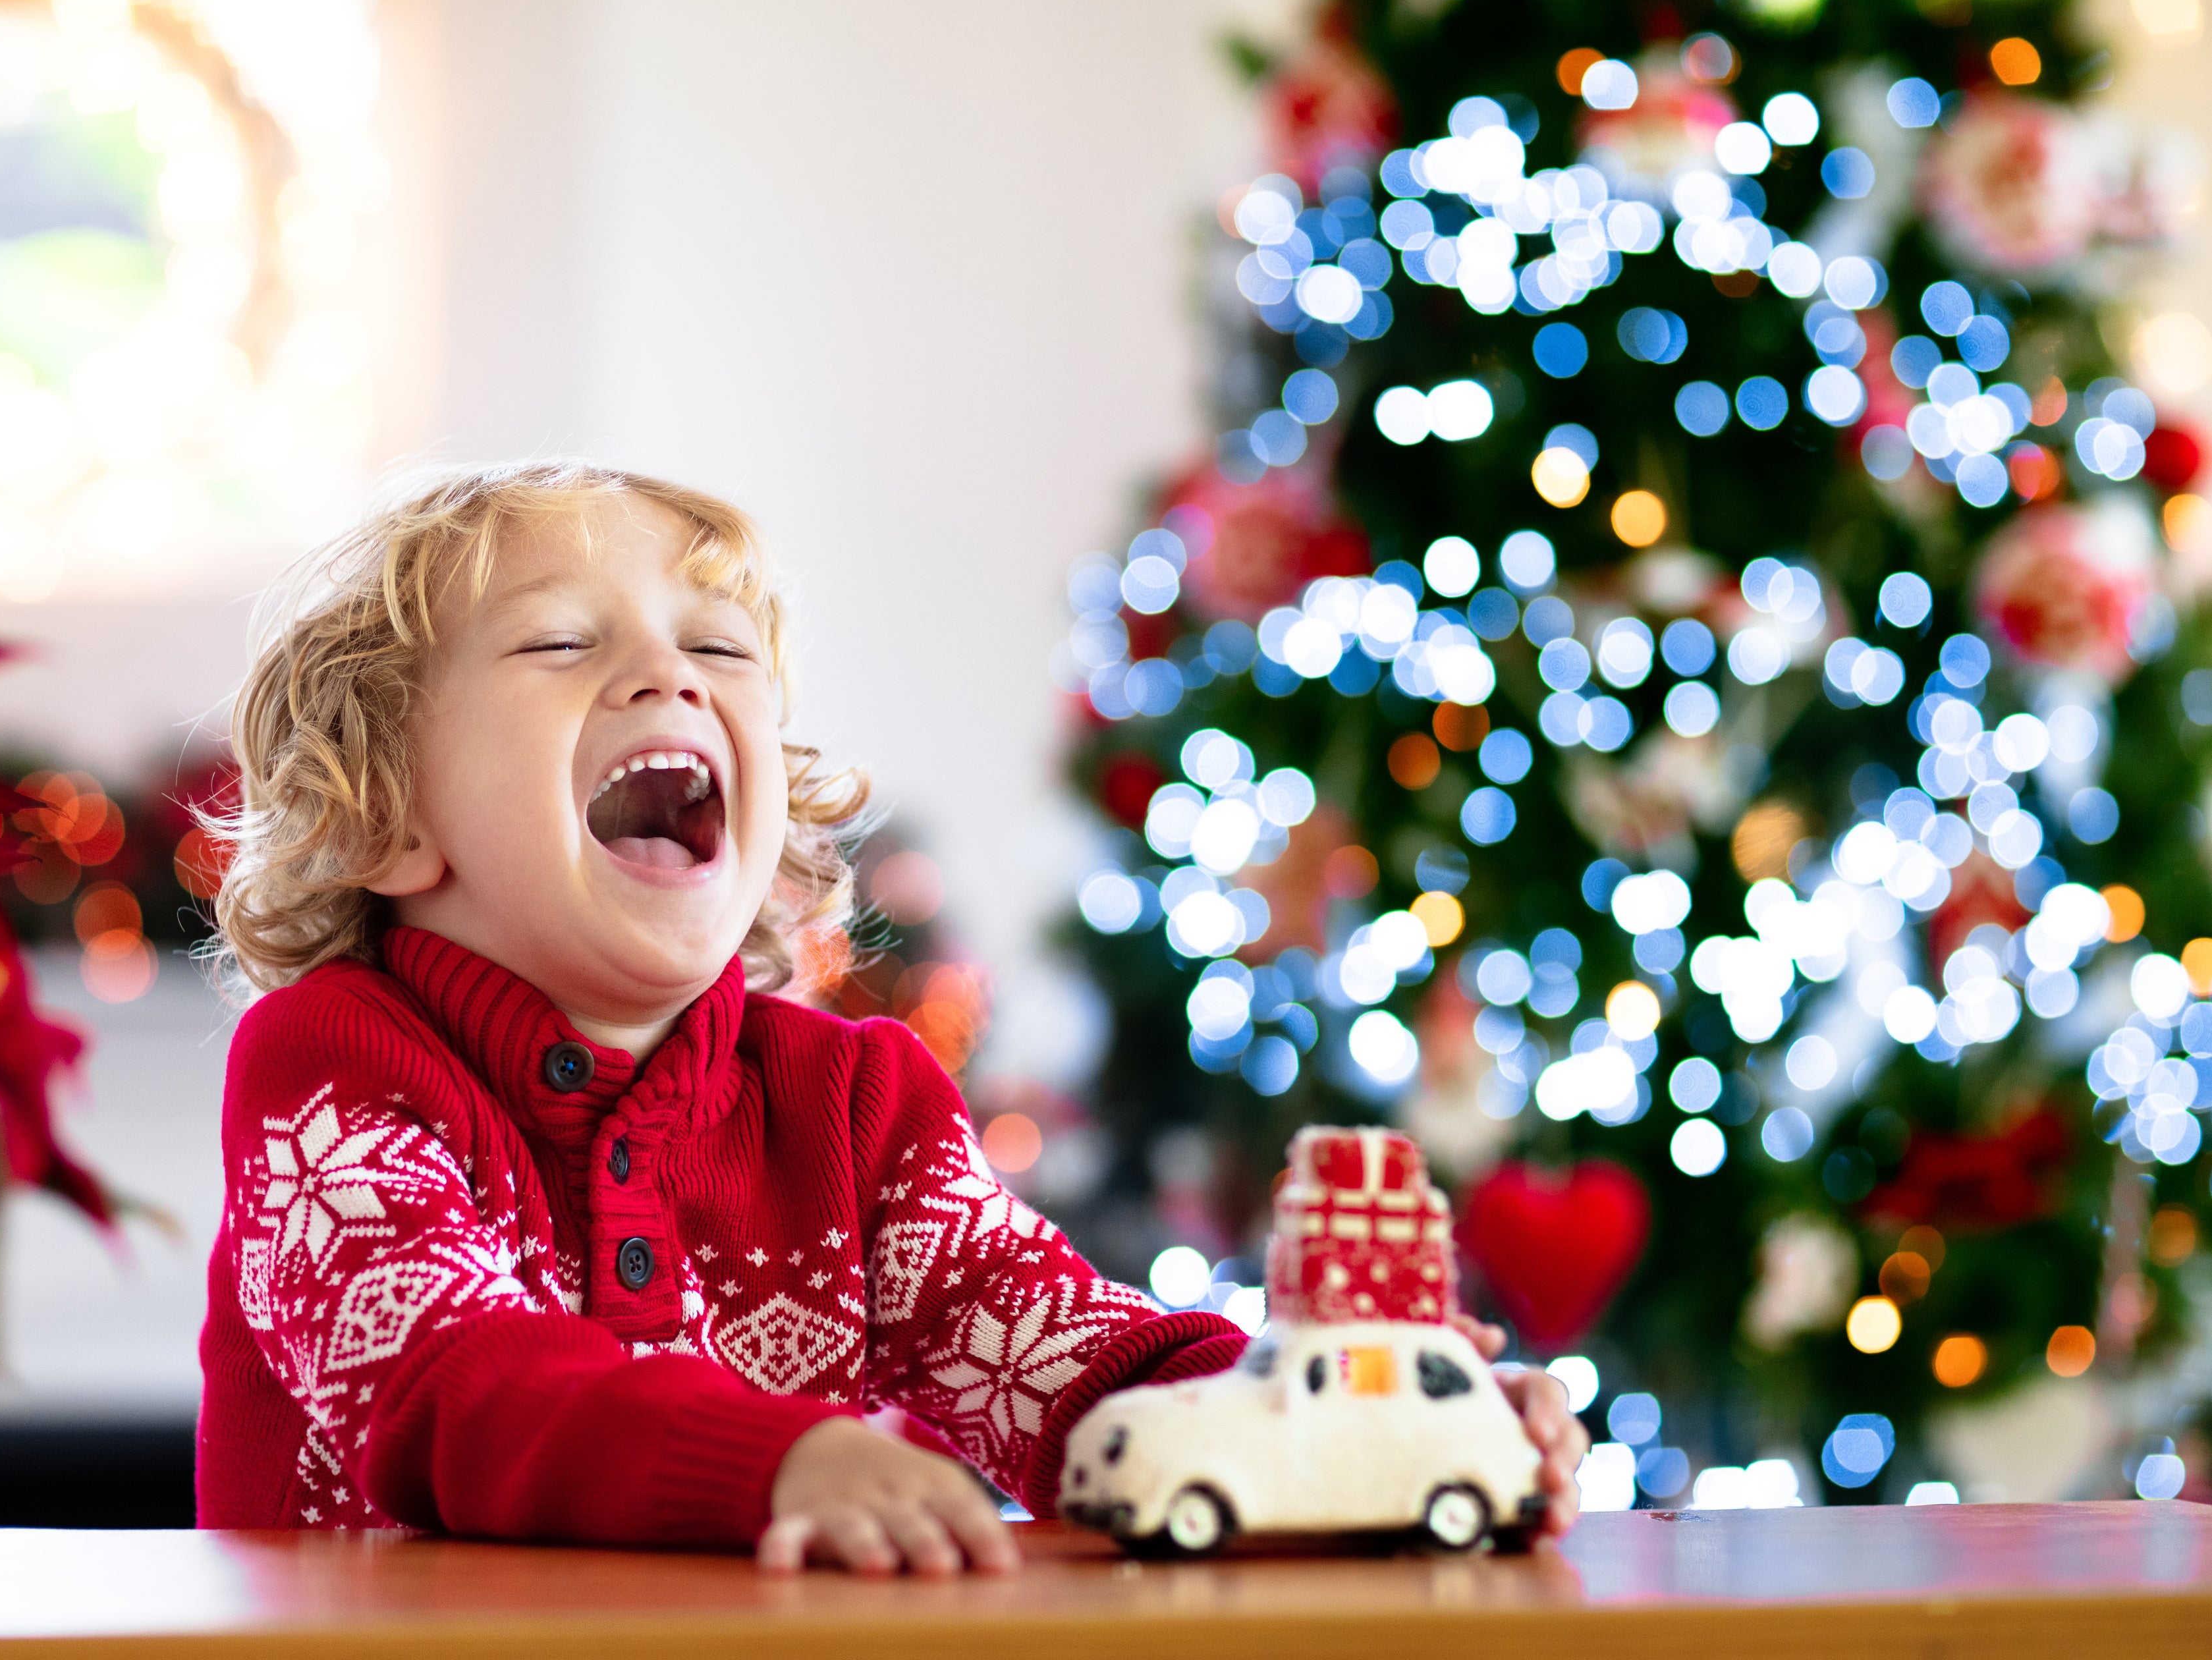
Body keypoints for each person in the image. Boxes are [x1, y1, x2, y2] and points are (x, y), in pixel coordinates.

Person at [194, 460, 1586, 1573]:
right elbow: (450, 1383)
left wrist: (1342, 1409)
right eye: (559, 640)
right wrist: (778, 1460)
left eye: (719, 646)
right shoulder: (335, 1065)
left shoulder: (851, 1103)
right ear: (387, 819)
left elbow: (1054, 1351)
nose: (668, 674)